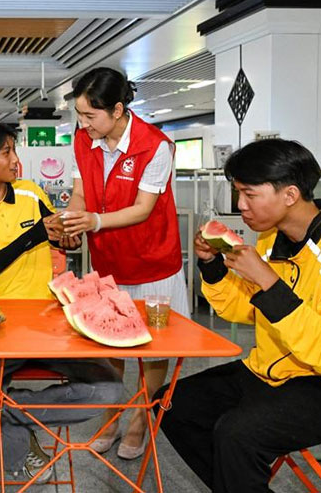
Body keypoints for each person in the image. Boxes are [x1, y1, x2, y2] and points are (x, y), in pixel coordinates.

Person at [155, 138, 321, 492]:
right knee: (171, 403)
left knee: (237, 434)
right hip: (278, 369)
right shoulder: (271, 239)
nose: (240, 205)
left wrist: (268, 282)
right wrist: (211, 266)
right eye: (238, 193)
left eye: (249, 194)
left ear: (290, 195)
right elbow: (248, 309)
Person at [0, 121, 122, 483]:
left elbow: (53, 237)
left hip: (48, 321)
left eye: (14, 149)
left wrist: (66, 239)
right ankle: (17, 440)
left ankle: (6, 417)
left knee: (109, 390)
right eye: (6, 151)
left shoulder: (29, 192)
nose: (15, 160)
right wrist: (33, 236)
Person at [60, 67, 189, 459]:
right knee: (109, 343)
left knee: (154, 350)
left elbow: (142, 209)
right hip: (109, 263)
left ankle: (140, 421)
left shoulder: (156, 146)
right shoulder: (83, 140)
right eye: (79, 115)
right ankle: (111, 416)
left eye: (90, 115)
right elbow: (81, 192)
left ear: (117, 110)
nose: (83, 124)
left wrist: (94, 222)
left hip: (154, 264)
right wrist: (72, 221)